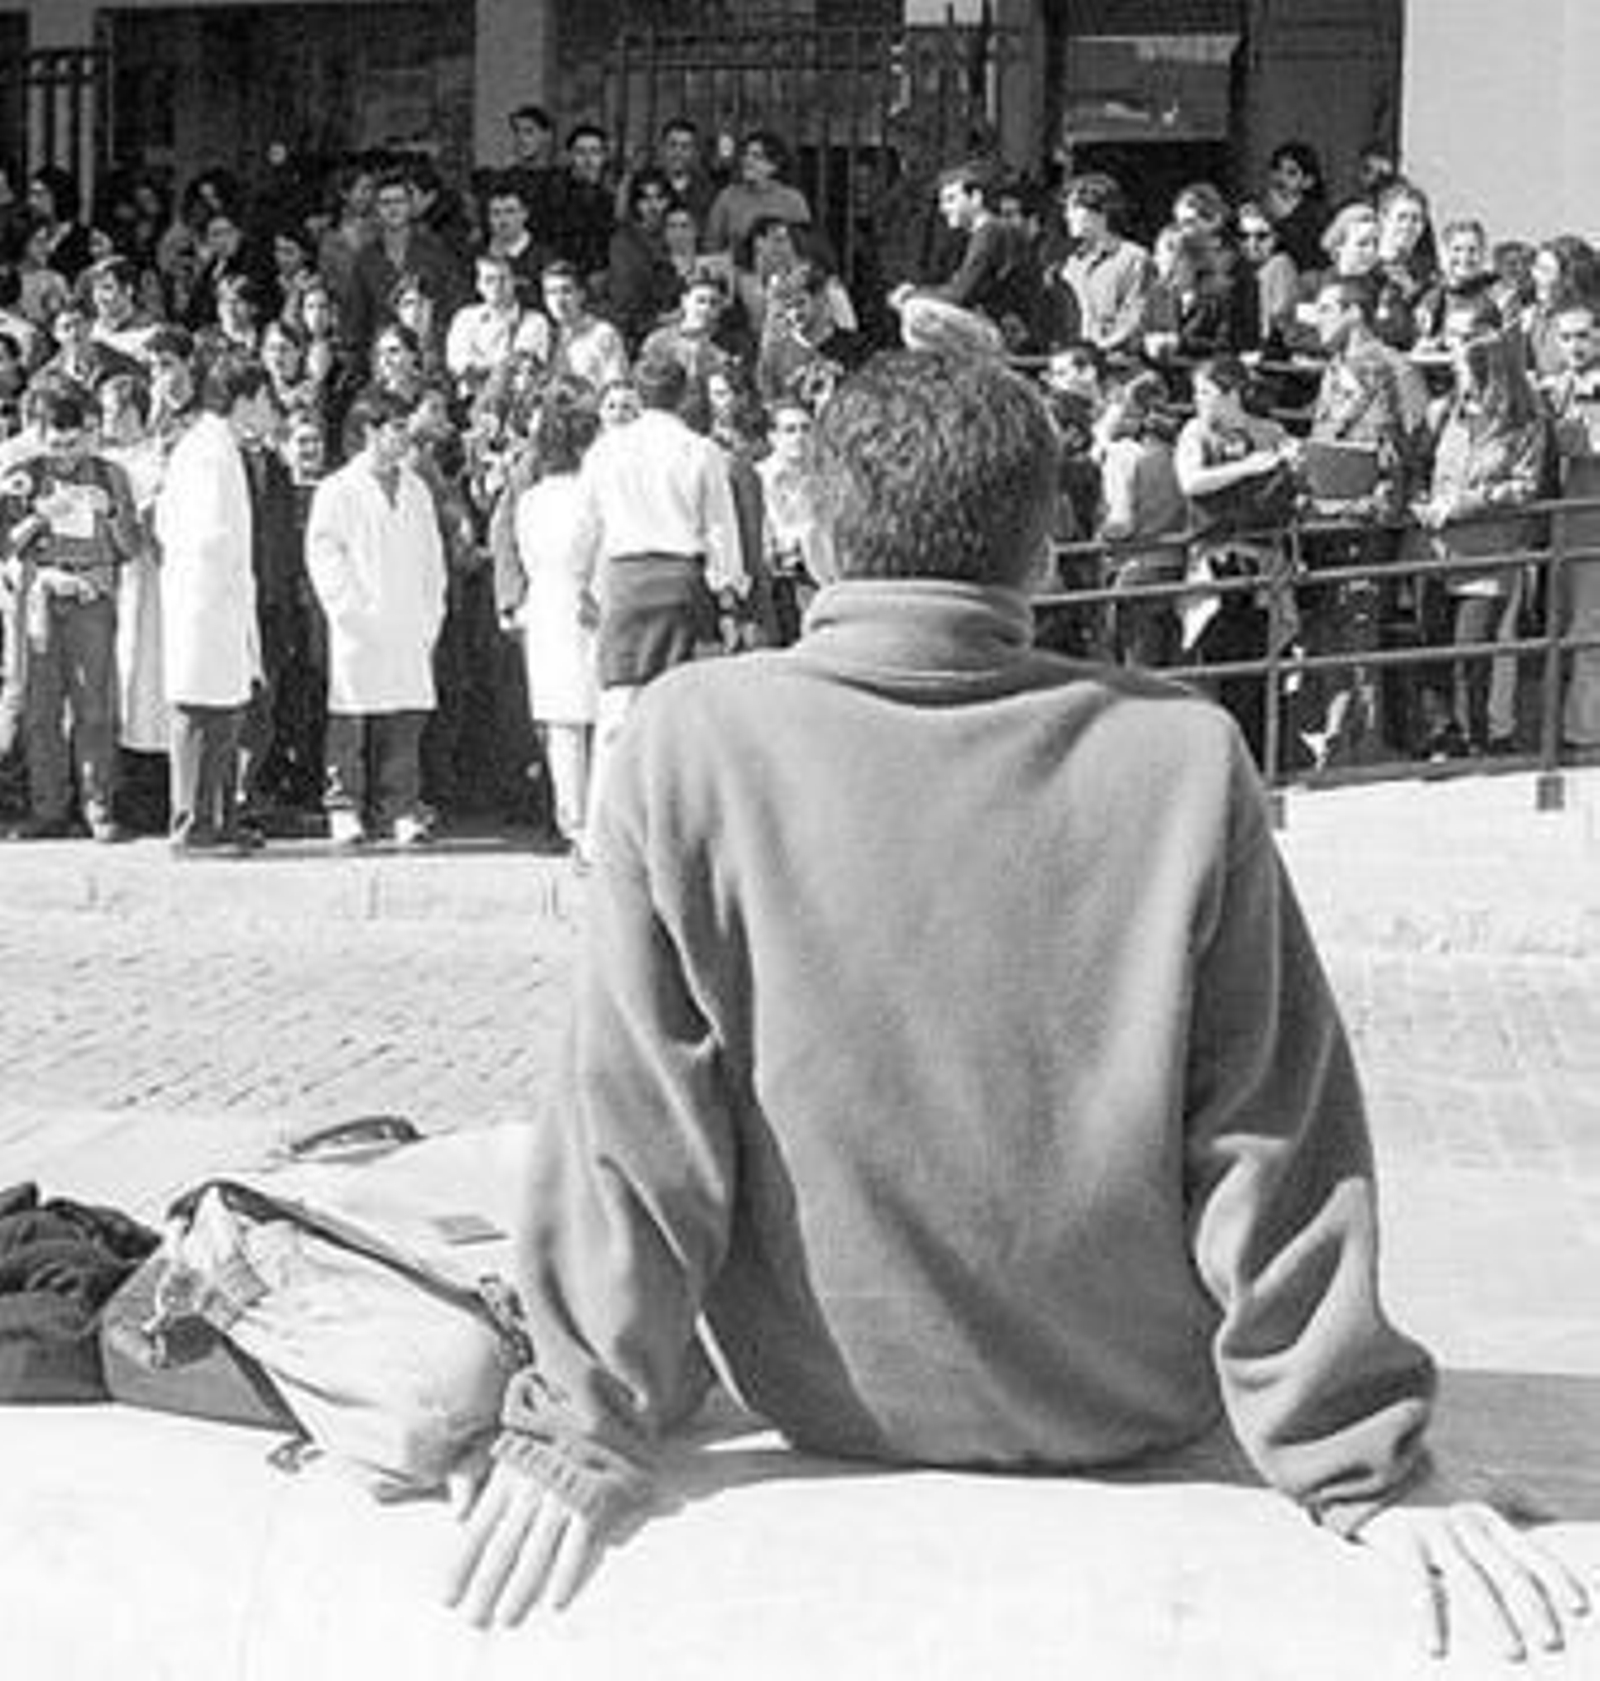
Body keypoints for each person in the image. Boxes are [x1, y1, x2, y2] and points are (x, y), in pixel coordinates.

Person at [445, 349, 1591, 1666]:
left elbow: (638, 1132)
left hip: (829, 1398)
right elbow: (1273, 1138)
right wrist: (1360, 1459)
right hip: (1128, 1401)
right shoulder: (1176, 749)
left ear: (810, 535)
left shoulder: (693, 739)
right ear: (1050, 552)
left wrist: (578, 1420)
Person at [565, 350, 745, 833]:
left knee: (618, 711)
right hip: (682, 582)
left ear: (639, 396)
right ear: (685, 393)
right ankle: (683, 830)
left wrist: (578, 582)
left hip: (626, 581)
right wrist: (729, 592)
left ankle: (602, 835)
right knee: (684, 711)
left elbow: (584, 526)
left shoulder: (607, 451)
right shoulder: (702, 450)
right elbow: (721, 530)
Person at [304, 389, 447, 847]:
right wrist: (350, 611)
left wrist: (431, 611)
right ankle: (344, 806)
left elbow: (432, 556)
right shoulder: (338, 489)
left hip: (409, 618)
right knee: (351, 716)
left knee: (406, 716)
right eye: (396, 428)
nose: (405, 436)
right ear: (370, 431)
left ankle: (400, 807)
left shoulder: (416, 488)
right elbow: (324, 554)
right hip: (358, 623)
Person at [1, 381, 139, 841]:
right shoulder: (24, 473)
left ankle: (97, 804)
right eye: (54, 444)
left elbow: (132, 548)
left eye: (72, 443)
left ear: (89, 433)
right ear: (40, 436)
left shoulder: (110, 475)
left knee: (93, 705)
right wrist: (40, 516)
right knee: (40, 708)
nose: (64, 454)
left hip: (91, 597)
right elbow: (5, 545)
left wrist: (113, 511)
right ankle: (48, 808)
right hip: (39, 594)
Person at [154, 350, 277, 853]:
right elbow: (204, 535)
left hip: (220, 601)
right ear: (245, 401)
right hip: (205, 602)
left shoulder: (216, 445)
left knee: (226, 711)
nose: (271, 410)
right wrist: (219, 593)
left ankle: (220, 819)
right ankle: (193, 826)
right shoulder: (206, 450)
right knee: (203, 712)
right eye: (266, 399)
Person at [1416, 318, 1548, 757]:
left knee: (1471, 651)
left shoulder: (1523, 422)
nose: (1456, 374)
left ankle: (1479, 737)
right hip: (1436, 551)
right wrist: (1422, 503)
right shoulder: (1445, 414)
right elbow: (1424, 469)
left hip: (1489, 553)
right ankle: (1443, 734)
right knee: (1431, 647)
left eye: (1462, 365)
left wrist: (1462, 504)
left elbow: (1524, 488)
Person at [499, 390, 601, 855]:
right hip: (585, 601)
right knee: (600, 718)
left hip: (546, 605)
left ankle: (573, 821)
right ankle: (594, 824)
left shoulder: (531, 500)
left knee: (562, 723)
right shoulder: (593, 496)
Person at [1544, 299, 1600, 750]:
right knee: (1564, 631)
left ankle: (1583, 733)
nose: (1575, 345)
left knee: (1588, 632)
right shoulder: (1552, 387)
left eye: (1583, 335)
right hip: (1560, 526)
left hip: (1592, 528)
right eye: (1565, 337)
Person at [1056, 173, 1150, 361]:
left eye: (1074, 207)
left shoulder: (1133, 258)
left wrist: (1097, 350)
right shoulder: (1070, 264)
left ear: (1101, 211)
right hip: (1074, 367)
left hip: (1117, 369)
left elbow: (1135, 320)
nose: (1067, 216)